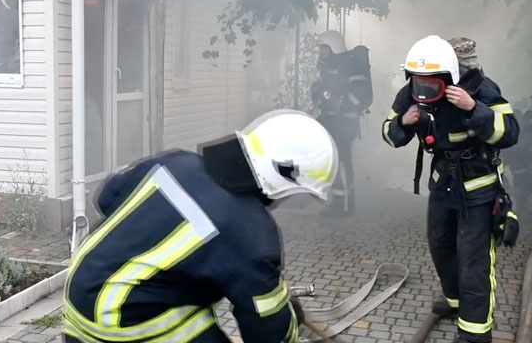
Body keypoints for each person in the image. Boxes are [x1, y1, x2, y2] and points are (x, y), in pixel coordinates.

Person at [63, 110, 339, 343]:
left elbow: (105, 197)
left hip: (78, 294)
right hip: (121, 323)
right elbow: (267, 333)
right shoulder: (252, 234)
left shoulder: (174, 160)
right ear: (283, 179)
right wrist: (290, 319)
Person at [382, 36, 519, 343]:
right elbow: (390, 134)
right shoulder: (412, 91)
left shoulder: (481, 89)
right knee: (441, 245)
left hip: (479, 186)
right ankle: (456, 301)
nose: (424, 89)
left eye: (433, 84)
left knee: (473, 259)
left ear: (450, 76)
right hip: (443, 182)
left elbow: (510, 133)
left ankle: (474, 333)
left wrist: (475, 109)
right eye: (420, 82)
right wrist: (403, 122)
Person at [311, 30, 373, 217]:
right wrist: (321, 98)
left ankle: (345, 205)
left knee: (342, 161)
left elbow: (362, 94)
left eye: (324, 48)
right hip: (329, 119)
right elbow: (318, 89)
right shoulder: (325, 65)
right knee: (331, 161)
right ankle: (337, 201)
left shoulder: (350, 65)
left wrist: (343, 103)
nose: (320, 52)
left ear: (334, 47)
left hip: (345, 121)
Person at [506, 108, 532, 215]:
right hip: (517, 171)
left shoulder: (530, 133)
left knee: (524, 196)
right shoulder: (505, 135)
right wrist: (508, 187)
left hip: (525, 173)